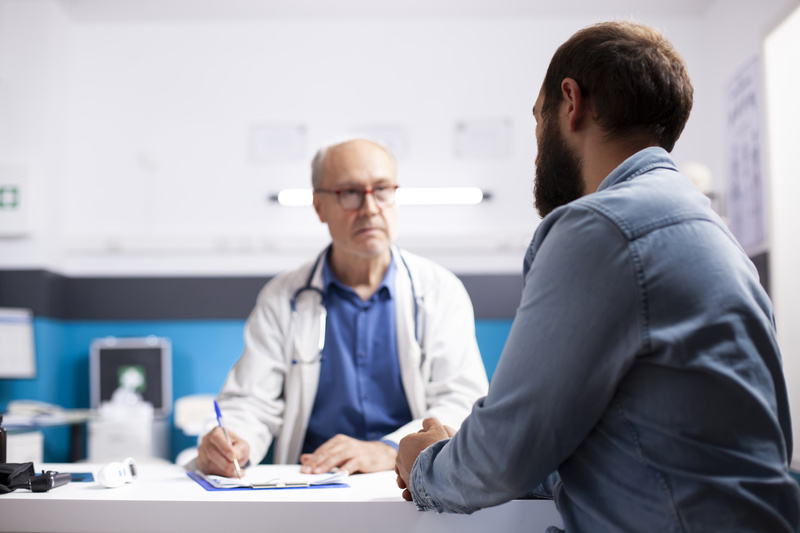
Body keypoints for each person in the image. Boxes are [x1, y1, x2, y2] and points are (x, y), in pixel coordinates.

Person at [396, 21, 800, 532]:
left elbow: (498, 459)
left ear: (571, 102)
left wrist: (423, 461)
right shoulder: (711, 231)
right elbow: (618, 447)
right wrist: (462, 449)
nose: (538, 150)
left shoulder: (599, 227)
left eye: (538, 119)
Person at [197, 138, 488, 477]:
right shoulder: (283, 297)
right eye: (349, 192)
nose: (369, 207)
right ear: (319, 206)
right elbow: (250, 401)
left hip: (407, 484)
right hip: (313, 483)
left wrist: (388, 448)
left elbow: (461, 401)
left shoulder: (439, 291)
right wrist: (233, 439)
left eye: (381, 190)